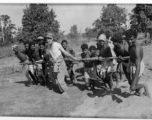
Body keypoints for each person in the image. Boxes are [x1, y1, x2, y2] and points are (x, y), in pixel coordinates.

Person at [125, 30, 149, 97]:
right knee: (130, 82)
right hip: (131, 63)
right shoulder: (130, 45)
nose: (129, 41)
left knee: (132, 87)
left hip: (137, 66)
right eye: (128, 39)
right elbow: (131, 55)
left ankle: (144, 86)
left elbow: (138, 67)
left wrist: (134, 83)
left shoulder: (137, 49)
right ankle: (138, 91)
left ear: (135, 38)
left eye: (131, 39)